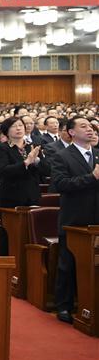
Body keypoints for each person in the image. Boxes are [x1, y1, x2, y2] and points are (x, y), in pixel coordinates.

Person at [49, 117, 99, 323]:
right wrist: (92, 177)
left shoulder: (97, 155)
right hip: (74, 219)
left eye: (91, 126)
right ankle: (64, 306)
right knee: (67, 265)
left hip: (97, 218)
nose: (90, 129)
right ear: (71, 132)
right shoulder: (62, 156)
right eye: (84, 126)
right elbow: (60, 184)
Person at [0, 117, 42, 208]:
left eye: (20, 125)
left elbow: (46, 170)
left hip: (33, 194)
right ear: (7, 131)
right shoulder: (2, 148)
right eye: (14, 126)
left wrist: (37, 161)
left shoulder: (32, 146)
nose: (18, 128)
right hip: (12, 196)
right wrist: (25, 163)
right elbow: (1, 171)